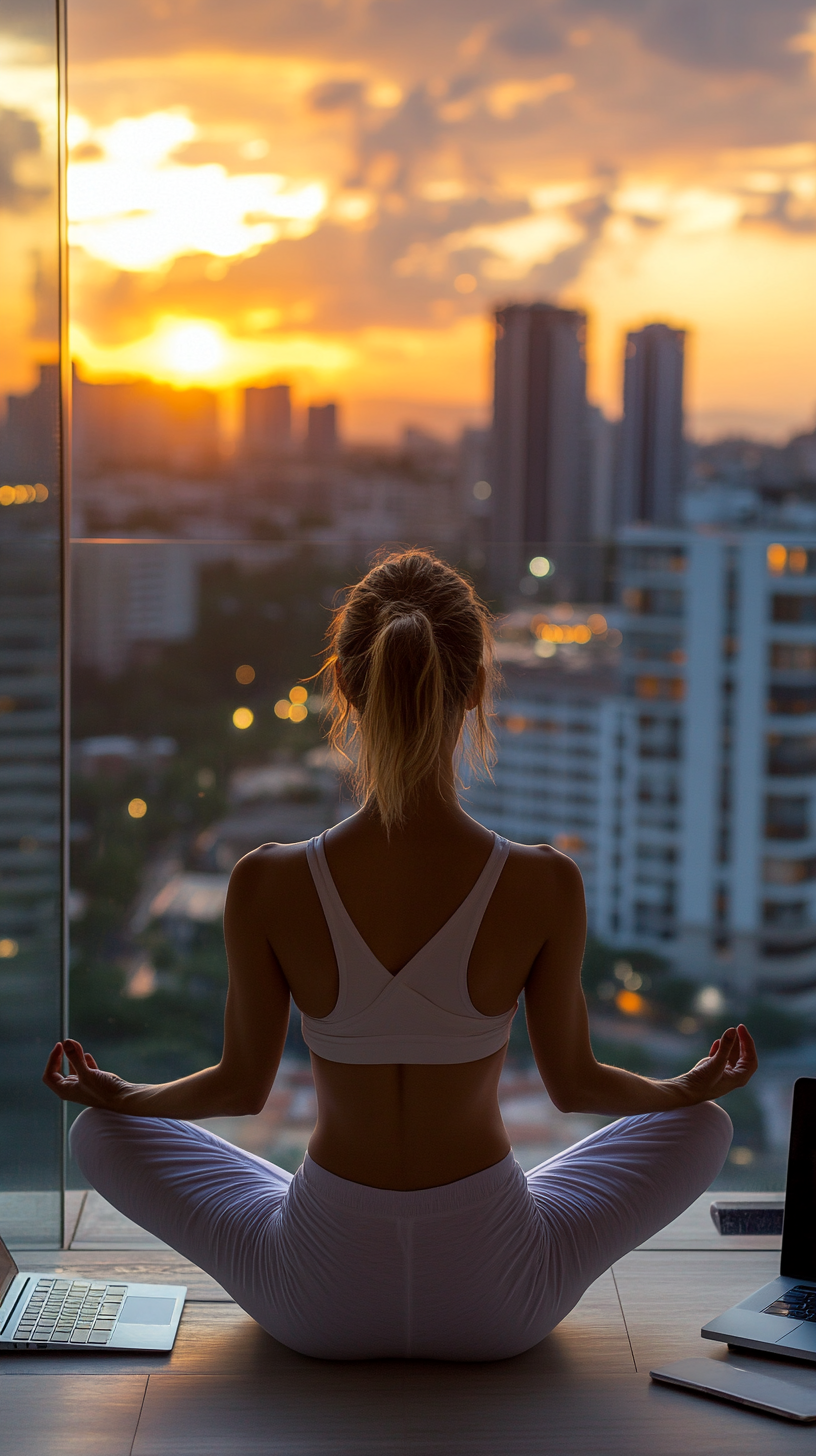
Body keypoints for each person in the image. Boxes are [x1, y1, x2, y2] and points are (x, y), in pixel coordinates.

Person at [44, 549, 755, 1361]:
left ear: (344, 686)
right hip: (500, 1300)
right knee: (704, 1126)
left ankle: (283, 1203)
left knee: (97, 1137)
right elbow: (574, 1086)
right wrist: (683, 1085)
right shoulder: (542, 882)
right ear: (479, 689)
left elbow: (241, 1088)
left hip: (315, 1299)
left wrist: (124, 1093)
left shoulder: (268, 880)